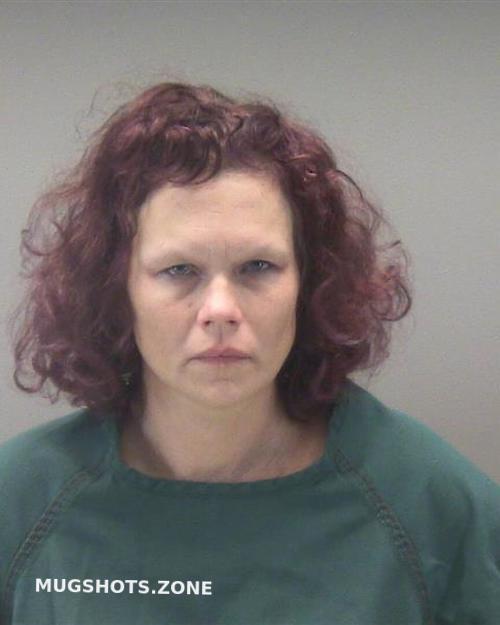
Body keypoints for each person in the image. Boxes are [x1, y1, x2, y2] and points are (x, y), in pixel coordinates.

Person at [1, 81, 499, 625]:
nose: (220, 309)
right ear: (117, 290)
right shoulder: (20, 502)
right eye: (179, 270)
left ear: (309, 283)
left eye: (257, 267)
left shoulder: (432, 505)